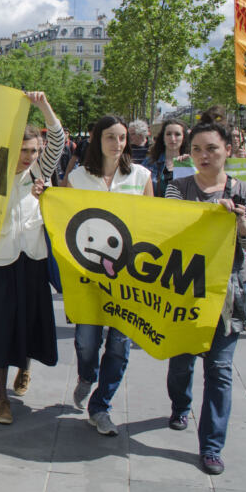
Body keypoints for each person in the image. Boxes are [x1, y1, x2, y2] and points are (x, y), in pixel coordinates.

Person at [164, 119, 246, 475]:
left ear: (228, 151)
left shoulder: (245, 191)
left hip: (226, 298)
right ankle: (180, 405)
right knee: (180, 365)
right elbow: (172, 230)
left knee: (219, 371)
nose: (204, 156)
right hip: (184, 294)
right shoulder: (178, 187)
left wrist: (240, 223)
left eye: (211, 149)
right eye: (197, 150)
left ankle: (211, 447)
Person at [0, 93, 64, 424]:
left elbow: (58, 137)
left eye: (34, 151)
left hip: (32, 260)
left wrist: (43, 106)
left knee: (29, 324)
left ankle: (24, 367)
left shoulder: (40, 173)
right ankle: (1, 398)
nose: (30, 156)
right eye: (24, 150)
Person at [67, 114, 154, 436]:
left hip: (128, 279)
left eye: (122, 138)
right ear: (96, 139)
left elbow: (152, 221)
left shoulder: (141, 176)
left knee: (119, 345)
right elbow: (66, 221)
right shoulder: (77, 178)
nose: (117, 144)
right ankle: (87, 375)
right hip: (89, 275)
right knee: (86, 341)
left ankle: (101, 406)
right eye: (110, 137)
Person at [143, 118, 188, 198]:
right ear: (163, 137)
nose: (172, 138)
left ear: (184, 138)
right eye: (168, 134)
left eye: (177, 134)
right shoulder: (149, 163)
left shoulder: (191, 164)